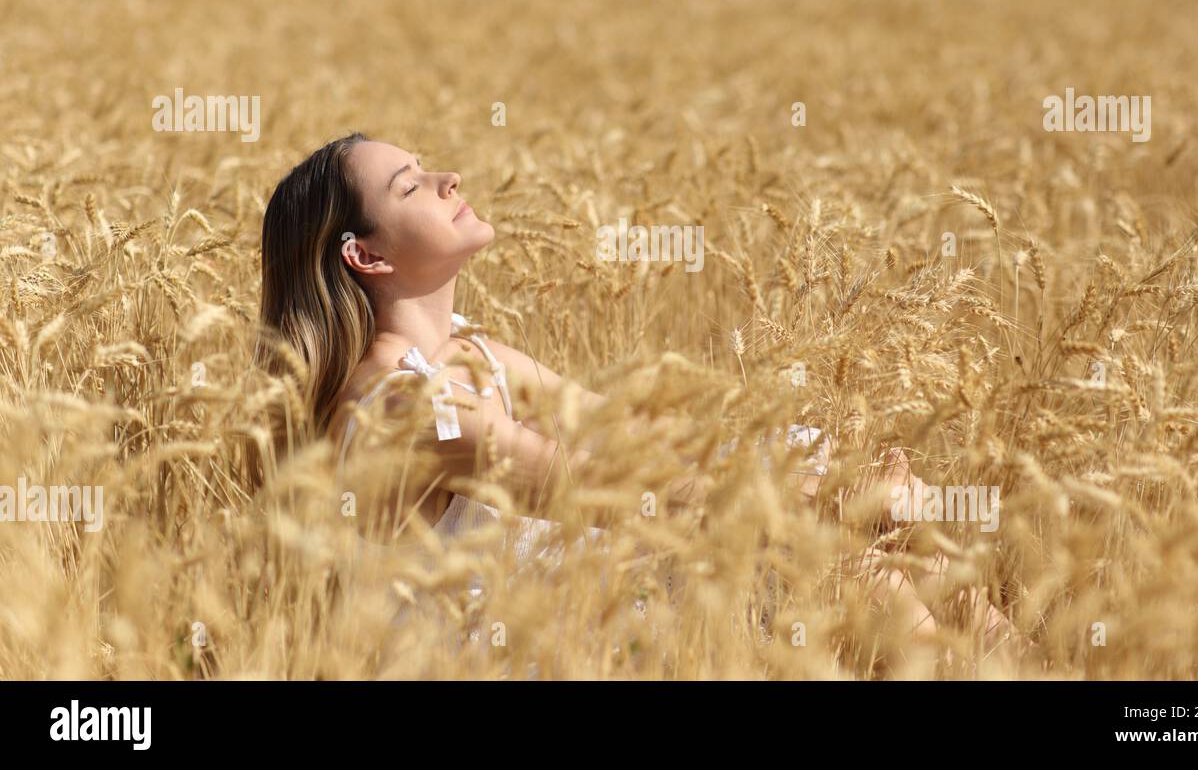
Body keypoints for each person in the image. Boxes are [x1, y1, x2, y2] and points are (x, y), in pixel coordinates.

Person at [256, 132, 1016, 662]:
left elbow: (639, 436)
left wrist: (829, 480)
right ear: (366, 254)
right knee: (839, 560)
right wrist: (824, 500)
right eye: (412, 185)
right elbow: (595, 483)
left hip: (585, 613)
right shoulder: (397, 403)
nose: (449, 179)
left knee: (860, 536)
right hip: (518, 653)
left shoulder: (474, 352)